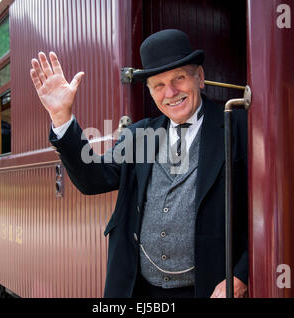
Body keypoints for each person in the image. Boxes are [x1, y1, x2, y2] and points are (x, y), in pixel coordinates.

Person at [30, 29, 248, 298]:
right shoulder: (141, 135)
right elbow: (93, 179)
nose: (170, 92)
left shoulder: (238, 127)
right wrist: (62, 117)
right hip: (140, 291)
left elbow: (268, 210)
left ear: (200, 77)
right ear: (150, 91)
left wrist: (241, 275)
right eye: (158, 85)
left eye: (179, 78)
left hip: (208, 290)